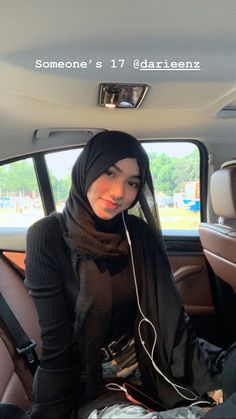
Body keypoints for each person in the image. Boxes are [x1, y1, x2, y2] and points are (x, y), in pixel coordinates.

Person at [25, 131, 224, 419]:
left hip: (152, 356)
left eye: (132, 182)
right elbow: (56, 346)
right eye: (109, 172)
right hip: (95, 379)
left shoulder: (136, 233)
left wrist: (209, 384)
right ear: (86, 170)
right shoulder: (47, 237)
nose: (119, 193)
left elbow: (171, 315)